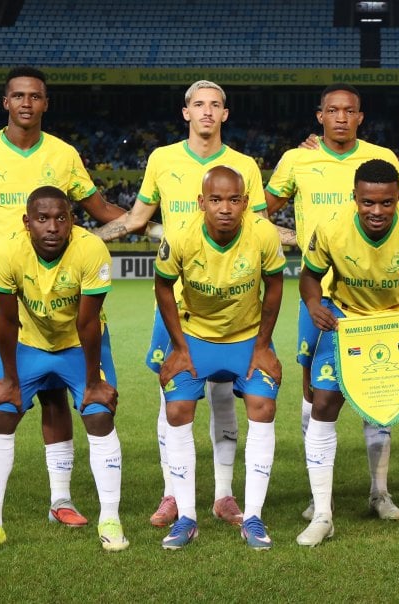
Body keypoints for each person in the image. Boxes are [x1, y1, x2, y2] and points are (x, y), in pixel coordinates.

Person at [0, 66, 127, 531]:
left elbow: (100, 212)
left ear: (45, 103)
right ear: (5, 102)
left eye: (34, 96)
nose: (26, 103)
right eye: (17, 96)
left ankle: (60, 499)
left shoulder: (63, 155)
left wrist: (157, 224)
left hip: (53, 293)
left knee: (55, 392)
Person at [93, 80, 268, 528]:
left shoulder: (244, 165)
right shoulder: (162, 159)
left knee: (226, 396)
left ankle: (225, 495)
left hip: (233, 304)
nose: (207, 112)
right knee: (171, 393)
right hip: (177, 300)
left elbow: (263, 229)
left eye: (215, 106)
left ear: (225, 115)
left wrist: (313, 242)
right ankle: (174, 493)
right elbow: (136, 220)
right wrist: (85, 241)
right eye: (198, 105)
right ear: (185, 112)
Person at [0, 186, 127, 554]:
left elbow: (87, 323)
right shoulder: (6, 250)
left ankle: (110, 520)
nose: (52, 226)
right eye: (42, 218)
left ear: (71, 221)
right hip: (29, 343)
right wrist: (9, 379)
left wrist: (91, 383)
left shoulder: (91, 249)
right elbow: (4, 320)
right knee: (0, 414)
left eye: (61, 218)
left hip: (79, 345)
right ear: (27, 223)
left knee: (98, 415)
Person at [265, 84, 399, 522]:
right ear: (319, 115)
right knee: (313, 398)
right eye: (332, 110)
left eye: (349, 111)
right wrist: (294, 240)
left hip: (372, 296)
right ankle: (317, 494)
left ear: (360, 117)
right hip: (318, 297)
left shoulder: (380, 158)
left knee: (377, 392)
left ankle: (379, 493)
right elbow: (259, 213)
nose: (341, 117)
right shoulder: (296, 159)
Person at [296, 159, 399, 546]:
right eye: (368, 202)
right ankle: (322, 514)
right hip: (347, 323)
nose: (377, 211)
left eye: (386, 202)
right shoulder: (332, 226)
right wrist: (315, 305)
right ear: (355, 197)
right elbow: (309, 277)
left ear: (398, 197)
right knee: (323, 404)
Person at [153, 166, 286, 550]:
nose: (224, 208)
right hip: (196, 338)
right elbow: (163, 286)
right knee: (177, 411)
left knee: (263, 405)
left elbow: (275, 285)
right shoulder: (180, 235)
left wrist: (263, 345)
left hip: (246, 339)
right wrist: (179, 347)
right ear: (201, 203)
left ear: (245, 202)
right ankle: (187, 518)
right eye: (215, 200)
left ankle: (254, 516)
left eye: (233, 200)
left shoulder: (262, 233)